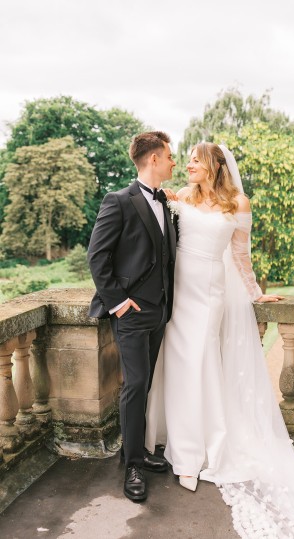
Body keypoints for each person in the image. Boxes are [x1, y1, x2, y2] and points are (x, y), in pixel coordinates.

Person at [146, 143, 294, 538]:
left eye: (195, 160)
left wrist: (255, 291)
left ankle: (200, 451)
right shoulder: (180, 198)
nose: (188, 165)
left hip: (209, 292)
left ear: (214, 165)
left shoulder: (238, 203)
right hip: (178, 292)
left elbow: (240, 256)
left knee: (202, 362)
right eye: (187, 159)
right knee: (176, 364)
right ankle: (179, 442)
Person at [88, 131, 177, 502]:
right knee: (135, 385)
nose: (175, 161)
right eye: (170, 156)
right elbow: (97, 256)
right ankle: (133, 467)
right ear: (153, 159)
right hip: (131, 312)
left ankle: (134, 452)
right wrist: (119, 303)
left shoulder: (167, 203)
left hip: (159, 311)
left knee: (145, 384)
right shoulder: (118, 200)